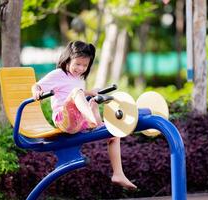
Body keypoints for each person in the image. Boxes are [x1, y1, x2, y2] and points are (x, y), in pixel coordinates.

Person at [31, 41, 137, 190]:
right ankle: (92, 119)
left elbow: (75, 92)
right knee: (77, 93)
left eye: (84, 66)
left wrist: (90, 92)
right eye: (77, 64)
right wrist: (36, 92)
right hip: (63, 119)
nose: (80, 69)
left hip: (78, 121)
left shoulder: (79, 80)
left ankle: (118, 174)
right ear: (68, 59)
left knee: (114, 133)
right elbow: (37, 85)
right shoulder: (58, 74)